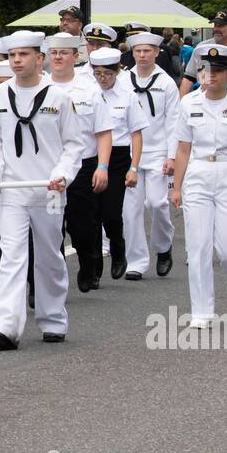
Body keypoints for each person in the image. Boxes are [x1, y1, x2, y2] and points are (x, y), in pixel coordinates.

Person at [0, 31, 84, 350]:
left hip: (48, 190)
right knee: (11, 256)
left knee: (50, 255)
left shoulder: (59, 96)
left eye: (24, 55)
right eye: (12, 56)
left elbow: (74, 144)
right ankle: (5, 325)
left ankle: (53, 319)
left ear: (41, 59)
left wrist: (62, 174)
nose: (17, 61)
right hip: (12, 190)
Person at [169, 42, 227, 326]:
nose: (212, 76)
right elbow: (183, 148)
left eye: (218, 71)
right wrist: (176, 185)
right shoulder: (189, 103)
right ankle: (202, 310)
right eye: (207, 70)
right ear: (200, 72)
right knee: (197, 246)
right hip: (198, 173)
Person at [46, 32, 113, 292]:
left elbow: (104, 132)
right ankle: (54, 278)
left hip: (83, 167)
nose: (58, 57)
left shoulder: (90, 91)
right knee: (51, 228)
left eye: (64, 52)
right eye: (54, 53)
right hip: (49, 169)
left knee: (82, 226)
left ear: (76, 56)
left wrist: (103, 167)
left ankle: (89, 264)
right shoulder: (40, 86)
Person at [120, 31, 179, 280]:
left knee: (157, 203)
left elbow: (174, 121)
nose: (142, 56)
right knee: (130, 210)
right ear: (132, 53)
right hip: (130, 153)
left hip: (158, 151)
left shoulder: (166, 83)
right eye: (138, 51)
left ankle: (163, 247)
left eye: (147, 51)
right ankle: (136, 260)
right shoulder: (123, 80)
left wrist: (172, 156)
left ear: (156, 52)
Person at [88, 47, 145, 281]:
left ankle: (118, 247)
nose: (102, 79)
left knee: (111, 213)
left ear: (117, 72)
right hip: (92, 155)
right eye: (98, 73)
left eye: (107, 74)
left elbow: (137, 134)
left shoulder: (128, 96)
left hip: (119, 157)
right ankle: (94, 268)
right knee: (92, 215)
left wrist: (134, 168)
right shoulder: (87, 94)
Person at [181, 10, 227, 97]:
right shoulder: (202, 48)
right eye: (215, 25)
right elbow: (189, 78)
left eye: (221, 26)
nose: (216, 29)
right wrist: (181, 104)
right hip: (204, 103)